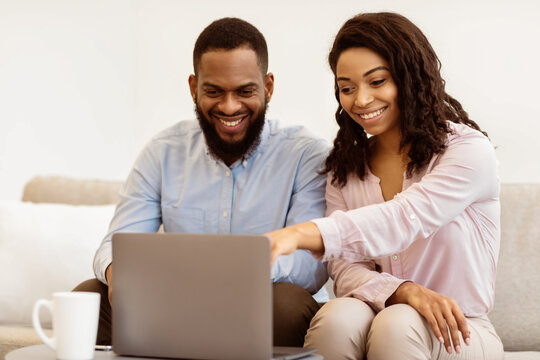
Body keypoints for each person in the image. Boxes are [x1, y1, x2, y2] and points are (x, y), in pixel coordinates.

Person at [74, 17, 330, 347]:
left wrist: (229, 274)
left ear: (267, 87)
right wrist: (118, 273)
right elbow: (116, 244)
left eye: (245, 91)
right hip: (175, 306)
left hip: (263, 306)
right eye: (214, 91)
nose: (229, 106)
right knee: (90, 296)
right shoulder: (162, 152)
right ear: (194, 88)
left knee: (287, 305)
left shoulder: (306, 155)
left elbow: (311, 265)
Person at [268, 12, 504, 360]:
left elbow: (405, 217)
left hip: (461, 330)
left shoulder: (467, 151)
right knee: (337, 317)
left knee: (398, 324)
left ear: (410, 78)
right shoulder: (346, 169)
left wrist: (299, 234)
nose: (360, 100)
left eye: (376, 81)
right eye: (347, 88)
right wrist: (402, 291)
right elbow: (345, 269)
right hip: (380, 314)